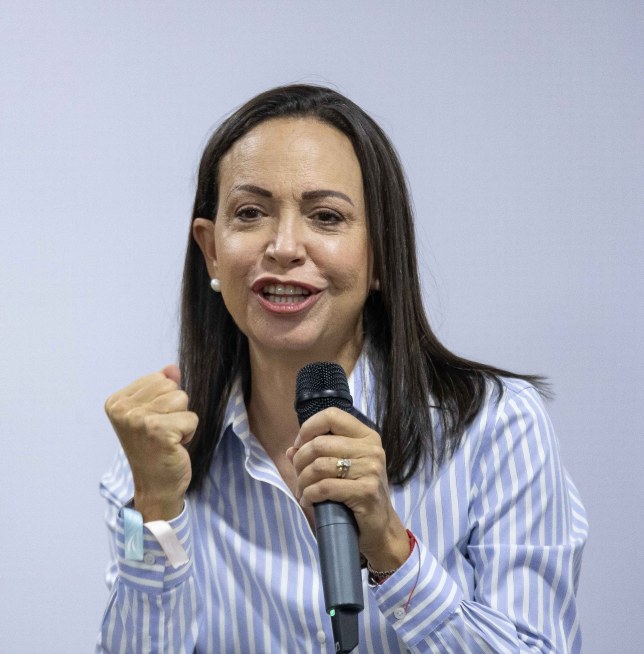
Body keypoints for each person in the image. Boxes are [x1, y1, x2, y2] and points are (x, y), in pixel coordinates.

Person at [97, 85, 586, 653]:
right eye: (250, 213)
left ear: (379, 255)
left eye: (325, 217)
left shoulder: (496, 428)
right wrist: (154, 513)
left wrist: (391, 551)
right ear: (211, 251)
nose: (283, 246)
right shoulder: (158, 449)